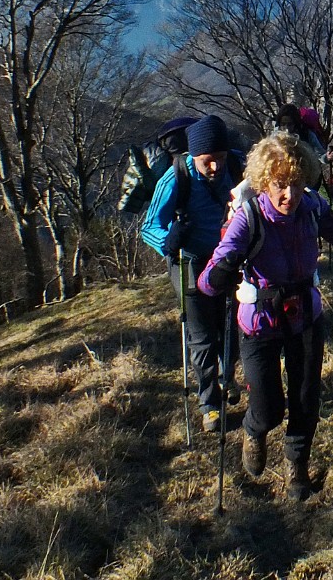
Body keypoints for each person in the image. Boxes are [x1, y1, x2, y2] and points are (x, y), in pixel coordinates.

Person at [198, 130, 333, 501]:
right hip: (260, 321)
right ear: (265, 181)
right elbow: (210, 279)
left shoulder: (311, 207)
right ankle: (255, 429)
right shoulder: (249, 217)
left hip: (305, 314)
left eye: (296, 185)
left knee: (305, 399)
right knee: (268, 407)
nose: (289, 195)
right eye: (281, 185)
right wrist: (221, 271)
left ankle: (296, 468)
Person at [141, 114, 240, 432]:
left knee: (231, 323)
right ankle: (209, 404)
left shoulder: (234, 169)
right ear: (194, 156)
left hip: (225, 257)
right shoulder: (175, 178)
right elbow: (149, 227)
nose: (215, 168)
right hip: (189, 261)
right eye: (208, 161)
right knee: (201, 335)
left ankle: (228, 378)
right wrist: (168, 240)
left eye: (220, 159)